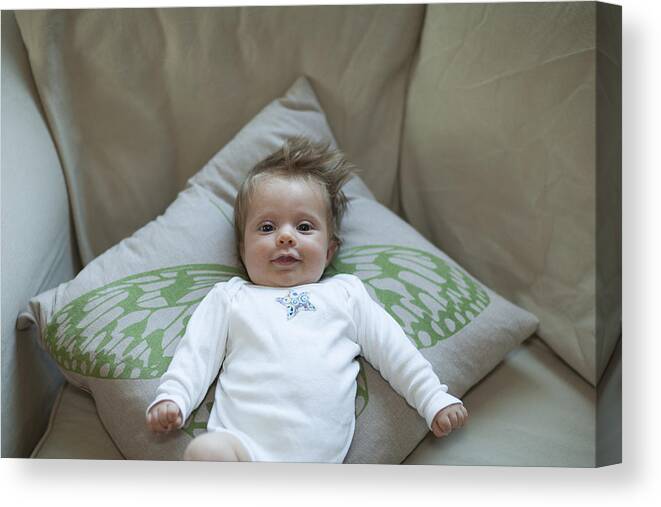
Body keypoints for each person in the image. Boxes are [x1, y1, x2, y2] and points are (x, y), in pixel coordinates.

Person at [145, 137, 468, 462]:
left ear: (329, 251)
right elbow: (195, 355)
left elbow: (395, 351)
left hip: (317, 466)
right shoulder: (231, 298)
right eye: (267, 227)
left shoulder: (346, 294)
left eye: (303, 226)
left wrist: (433, 398)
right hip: (243, 449)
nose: (285, 236)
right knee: (205, 451)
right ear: (242, 250)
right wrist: (173, 398)